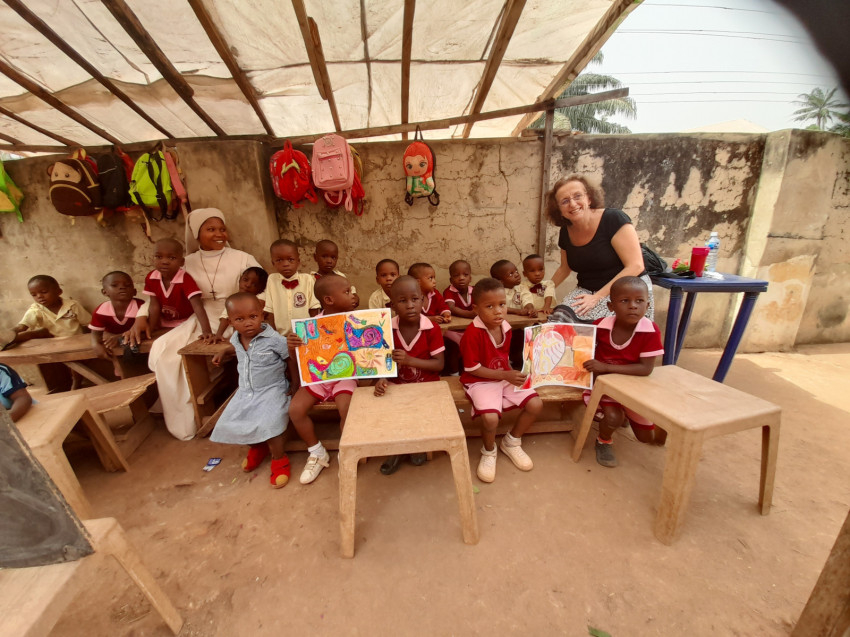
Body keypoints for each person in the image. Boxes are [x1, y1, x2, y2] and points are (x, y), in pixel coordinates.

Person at [130, 208, 261, 440]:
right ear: (197, 234)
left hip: (236, 315)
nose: (219, 234)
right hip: (200, 317)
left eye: (222, 229)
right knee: (168, 357)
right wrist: (141, 316)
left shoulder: (243, 258)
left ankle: (216, 404)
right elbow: (159, 293)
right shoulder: (184, 262)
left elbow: (262, 288)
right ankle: (185, 421)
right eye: (211, 229)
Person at [460, 277, 543, 483]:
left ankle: (511, 441)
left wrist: (513, 373)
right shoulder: (472, 333)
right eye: (490, 306)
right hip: (479, 379)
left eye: (502, 304)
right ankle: (489, 451)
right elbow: (472, 368)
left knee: (535, 404)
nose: (498, 311)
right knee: (490, 419)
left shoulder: (505, 326)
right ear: (476, 309)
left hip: (503, 376)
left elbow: (503, 358)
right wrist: (505, 375)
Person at [210, 293, 295, 488]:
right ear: (231, 322)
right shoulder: (236, 338)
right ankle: (258, 447)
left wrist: (295, 385)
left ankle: (279, 459)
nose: (248, 323)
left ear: (262, 316)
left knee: (269, 423)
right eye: (240, 319)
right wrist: (223, 351)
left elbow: (290, 359)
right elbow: (236, 349)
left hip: (272, 389)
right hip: (246, 391)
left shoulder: (274, 339)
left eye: (253, 317)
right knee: (237, 420)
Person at [582, 276, 666, 468]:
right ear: (611, 306)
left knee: (645, 438)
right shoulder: (600, 326)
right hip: (605, 385)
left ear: (647, 305)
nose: (633, 306)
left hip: (634, 387)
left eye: (639, 301)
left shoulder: (650, 330)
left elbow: (646, 369)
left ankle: (625, 414)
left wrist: (606, 367)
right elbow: (582, 347)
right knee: (613, 418)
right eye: (625, 301)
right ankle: (603, 441)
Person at [548, 175, 653, 321]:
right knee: (558, 320)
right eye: (564, 201)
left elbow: (635, 266)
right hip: (587, 291)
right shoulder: (565, 231)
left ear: (589, 198)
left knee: (603, 328)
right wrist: (543, 291)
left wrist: (597, 297)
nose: (572, 204)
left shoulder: (613, 219)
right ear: (559, 209)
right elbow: (564, 268)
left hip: (627, 290)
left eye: (577, 196)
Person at [286, 274, 359, 484]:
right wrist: (292, 347)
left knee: (346, 407)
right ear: (329, 300)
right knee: (295, 409)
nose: (353, 295)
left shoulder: (357, 321)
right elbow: (300, 361)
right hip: (318, 378)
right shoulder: (309, 327)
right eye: (347, 292)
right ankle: (317, 451)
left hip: (346, 377)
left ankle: (346, 451)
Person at [374, 275, 446, 475]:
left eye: (415, 299)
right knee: (388, 410)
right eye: (402, 301)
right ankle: (398, 449)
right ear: (392, 305)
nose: (410, 305)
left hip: (426, 384)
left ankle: (416, 445)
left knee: (421, 411)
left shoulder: (432, 328)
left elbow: (439, 365)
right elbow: (381, 363)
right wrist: (381, 379)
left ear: (422, 300)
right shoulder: (385, 328)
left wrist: (409, 360)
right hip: (397, 384)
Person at [143, 238, 208, 331]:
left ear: (182, 262)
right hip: (163, 321)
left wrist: (206, 331)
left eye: (172, 258)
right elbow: (154, 305)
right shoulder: (151, 277)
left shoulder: (185, 279)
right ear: (152, 259)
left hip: (185, 321)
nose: (165, 262)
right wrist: (151, 329)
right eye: (159, 257)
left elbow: (197, 306)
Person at [89, 271, 145, 378]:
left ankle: (134, 370)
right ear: (104, 292)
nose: (122, 287)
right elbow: (95, 333)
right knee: (107, 341)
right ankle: (116, 363)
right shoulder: (101, 310)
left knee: (134, 345)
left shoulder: (141, 306)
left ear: (134, 291)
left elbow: (146, 328)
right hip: (111, 336)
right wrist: (95, 345)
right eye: (115, 285)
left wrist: (120, 337)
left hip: (135, 335)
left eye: (127, 285)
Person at [9, 275, 91, 344]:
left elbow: (89, 324)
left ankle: (38, 333)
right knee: (23, 335)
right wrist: (8, 334)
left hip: (75, 342)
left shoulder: (72, 306)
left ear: (59, 291)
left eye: (44, 292)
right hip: (51, 344)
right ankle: (8, 340)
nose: (39, 296)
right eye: (34, 295)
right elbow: (21, 327)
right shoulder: (36, 309)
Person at [263, 239, 320, 336]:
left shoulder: (307, 279)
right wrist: (274, 335)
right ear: (273, 263)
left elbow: (313, 308)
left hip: (304, 333)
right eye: (279, 260)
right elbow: (270, 310)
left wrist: (312, 333)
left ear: (298, 261)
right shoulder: (272, 280)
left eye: (290, 259)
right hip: (281, 335)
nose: (285, 264)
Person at [208, 267, 268, 343]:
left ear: (261, 289)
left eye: (254, 284)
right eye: (245, 280)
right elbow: (226, 317)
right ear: (240, 280)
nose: (248, 285)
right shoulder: (235, 299)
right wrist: (219, 334)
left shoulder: (260, 298)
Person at [311, 239, 359, 307]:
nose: (329, 261)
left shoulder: (340, 277)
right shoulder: (311, 280)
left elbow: (352, 294)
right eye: (324, 256)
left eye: (333, 257)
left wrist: (355, 298)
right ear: (315, 257)